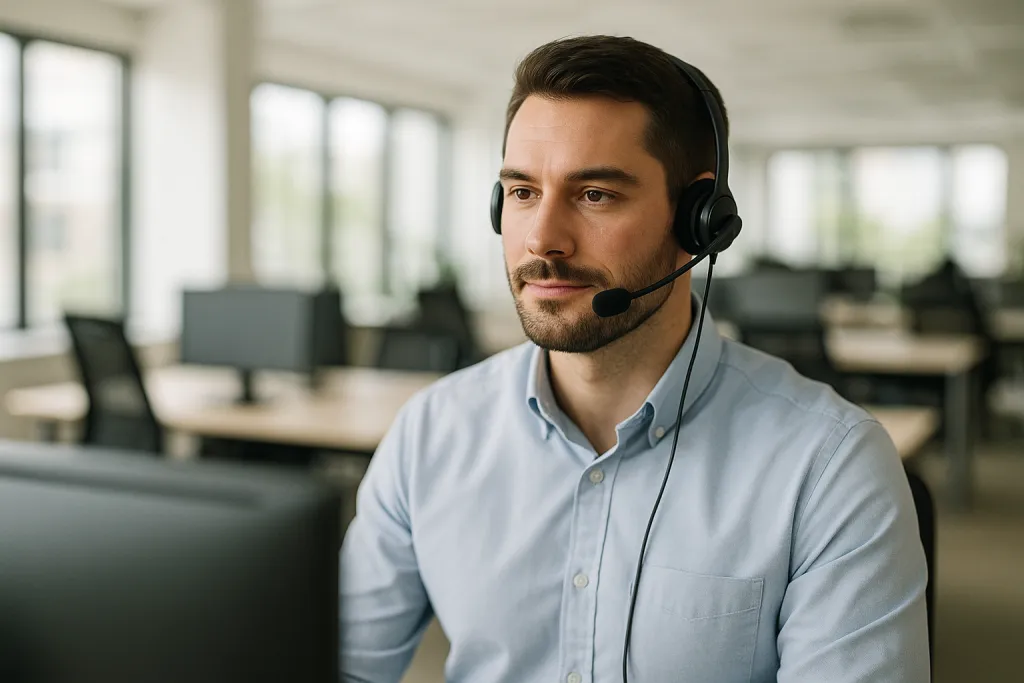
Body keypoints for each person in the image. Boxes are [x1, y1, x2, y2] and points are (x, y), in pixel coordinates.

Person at [340, 35, 929, 682]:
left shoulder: (831, 465)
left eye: (595, 194)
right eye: (522, 192)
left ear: (699, 222)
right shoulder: (430, 433)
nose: (542, 238)